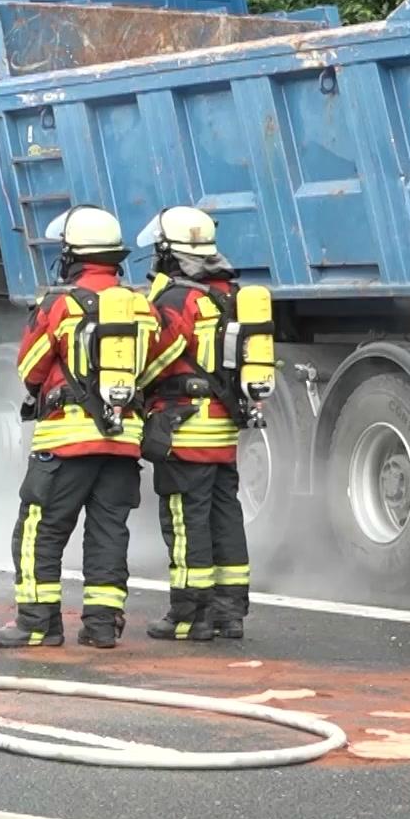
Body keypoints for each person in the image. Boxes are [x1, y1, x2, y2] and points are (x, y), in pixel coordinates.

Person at [0, 205, 157, 650]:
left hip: (65, 442)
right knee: (108, 533)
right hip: (123, 444)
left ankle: (37, 624)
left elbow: (29, 367)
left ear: (72, 256)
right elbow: (152, 369)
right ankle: (101, 626)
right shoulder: (142, 308)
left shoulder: (60, 306)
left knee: (39, 530)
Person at [136, 206, 251, 641]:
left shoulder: (178, 300)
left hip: (186, 432)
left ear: (168, 253)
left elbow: (157, 360)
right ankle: (229, 613)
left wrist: (131, 387)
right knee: (226, 518)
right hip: (224, 430)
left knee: (186, 524)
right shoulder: (232, 294)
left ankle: (189, 616)